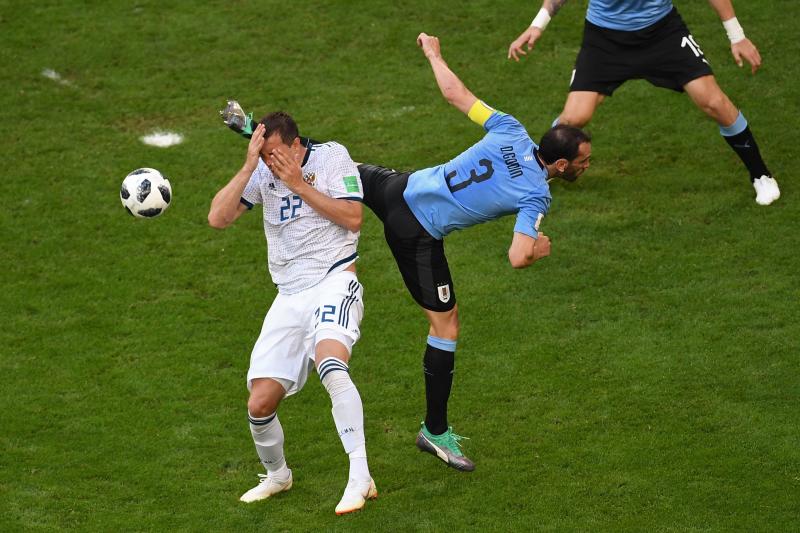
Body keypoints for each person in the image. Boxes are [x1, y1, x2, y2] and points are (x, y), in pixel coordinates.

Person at [357, 33, 592, 471]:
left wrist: (434, 54)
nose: (586, 167)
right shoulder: (536, 195)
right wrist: (539, 250)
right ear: (561, 165)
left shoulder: (510, 127)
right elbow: (517, 256)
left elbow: (455, 94)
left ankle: (262, 146)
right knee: (445, 327)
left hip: (398, 185)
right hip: (415, 233)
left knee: (333, 167)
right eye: (583, 162)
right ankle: (434, 431)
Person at [208, 113, 377, 515]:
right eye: (263, 156)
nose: (270, 163)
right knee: (259, 404)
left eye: (274, 154)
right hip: (288, 296)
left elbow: (353, 217)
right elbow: (218, 218)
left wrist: (299, 184)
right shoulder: (262, 170)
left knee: (331, 365)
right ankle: (278, 475)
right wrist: (248, 166)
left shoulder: (332, 156)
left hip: (334, 279)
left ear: (296, 145)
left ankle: (361, 476)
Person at [508, 0, 779, 206]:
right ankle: (540, 172)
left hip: (663, 34)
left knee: (714, 102)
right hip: (604, 40)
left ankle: (760, 175)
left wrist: (737, 36)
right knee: (573, 118)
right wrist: (537, 24)